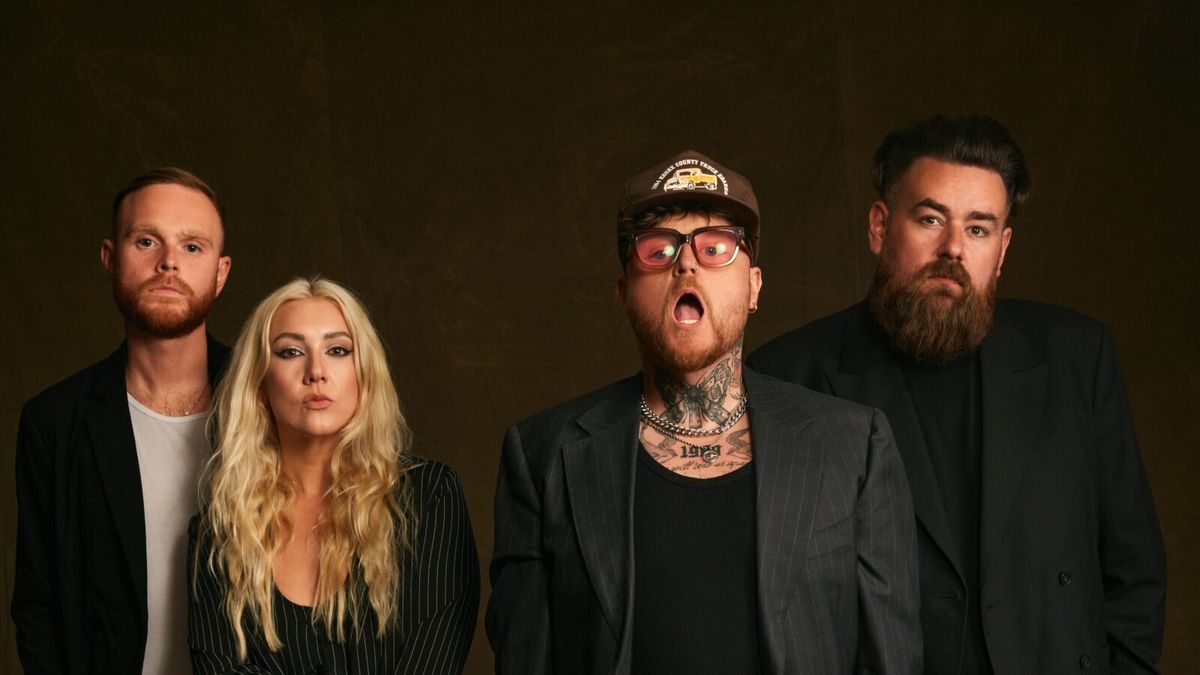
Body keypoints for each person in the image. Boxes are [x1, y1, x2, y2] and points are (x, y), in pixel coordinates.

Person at [748, 115, 1167, 673]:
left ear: (1002, 248)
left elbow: (1135, 570)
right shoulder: (787, 377)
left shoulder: (1076, 356)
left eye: (978, 229)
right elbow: (775, 600)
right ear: (879, 226)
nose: (953, 249)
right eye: (930, 219)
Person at [487, 150, 921, 674]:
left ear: (754, 286)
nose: (686, 264)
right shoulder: (542, 454)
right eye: (658, 249)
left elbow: (891, 659)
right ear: (624, 294)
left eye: (715, 247)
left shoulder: (855, 446)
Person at [188, 277, 479, 675]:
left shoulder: (429, 498)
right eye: (290, 352)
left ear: (365, 374)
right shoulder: (218, 533)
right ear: (259, 384)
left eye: (338, 350)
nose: (316, 371)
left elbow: (432, 662)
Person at [12, 168, 233, 674]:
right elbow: (38, 609)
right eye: (147, 241)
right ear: (111, 259)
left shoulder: (269, 402)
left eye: (192, 246)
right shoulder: (54, 423)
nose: (169, 262)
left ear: (220, 273)